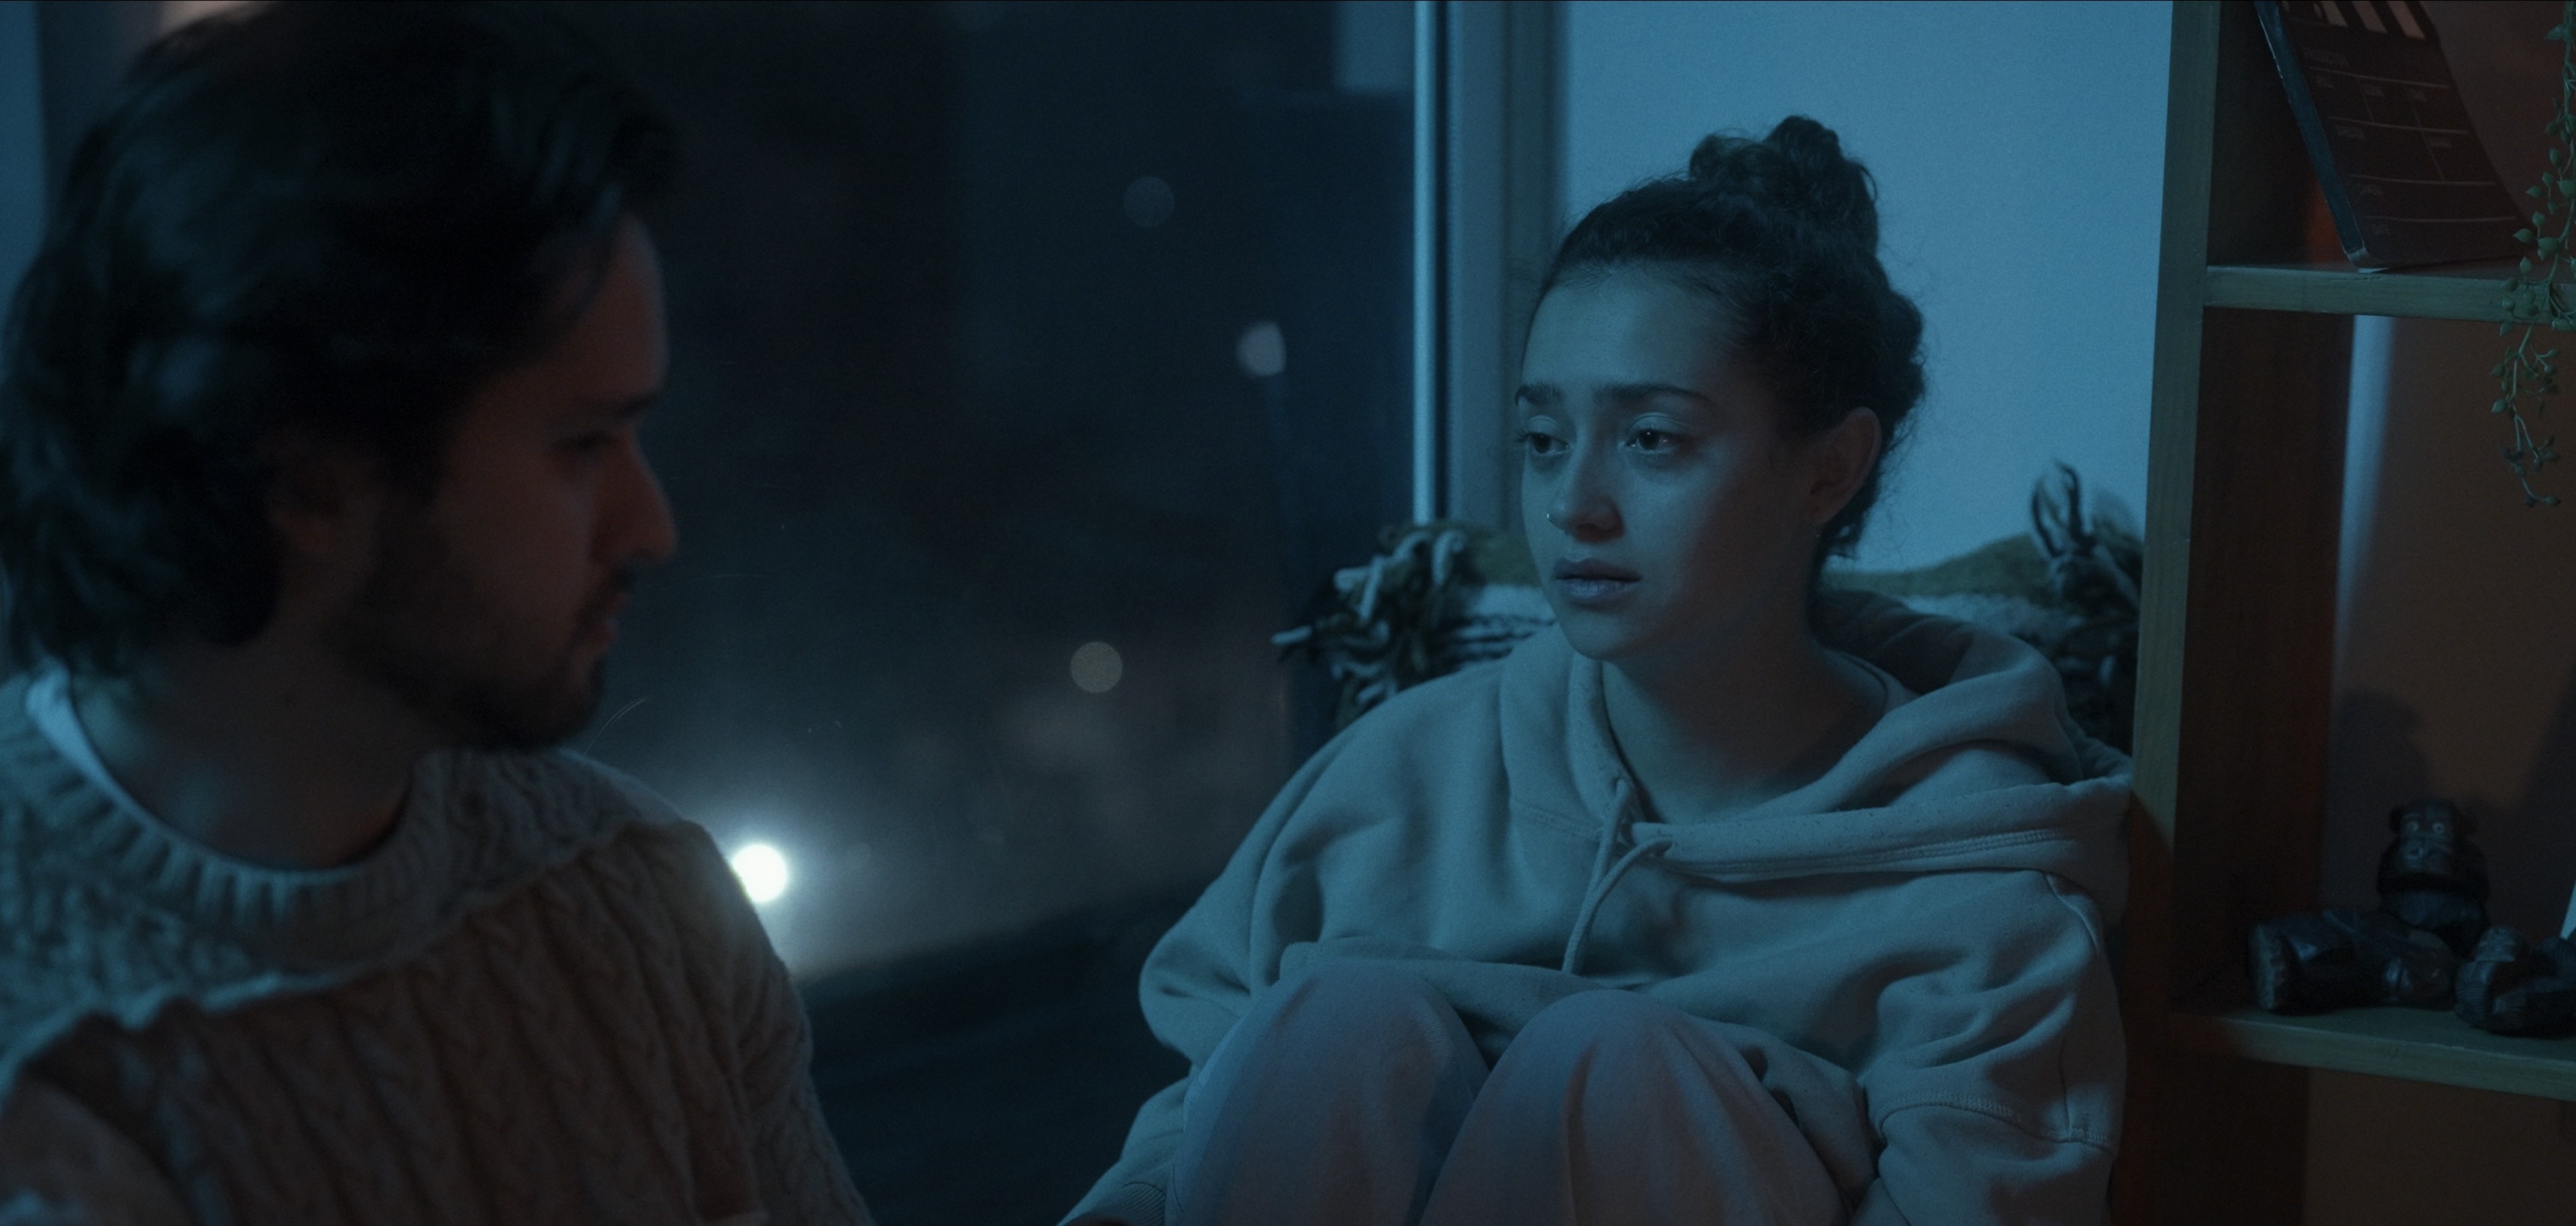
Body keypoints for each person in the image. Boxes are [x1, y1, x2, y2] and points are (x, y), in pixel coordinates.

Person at [1065, 116, 2130, 1226]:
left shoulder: (1985, 885)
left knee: (1608, 1062)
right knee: (1338, 1018)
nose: (1572, 505)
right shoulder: (1406, 771)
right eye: (1542, 440)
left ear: (1830, 468)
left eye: (1653, 440)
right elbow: (1202, 1116)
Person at [0, 6, 870, 1223]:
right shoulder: (50, 1078)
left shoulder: (638, 897)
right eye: (581, 446)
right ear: (304, 476)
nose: (651, 528)